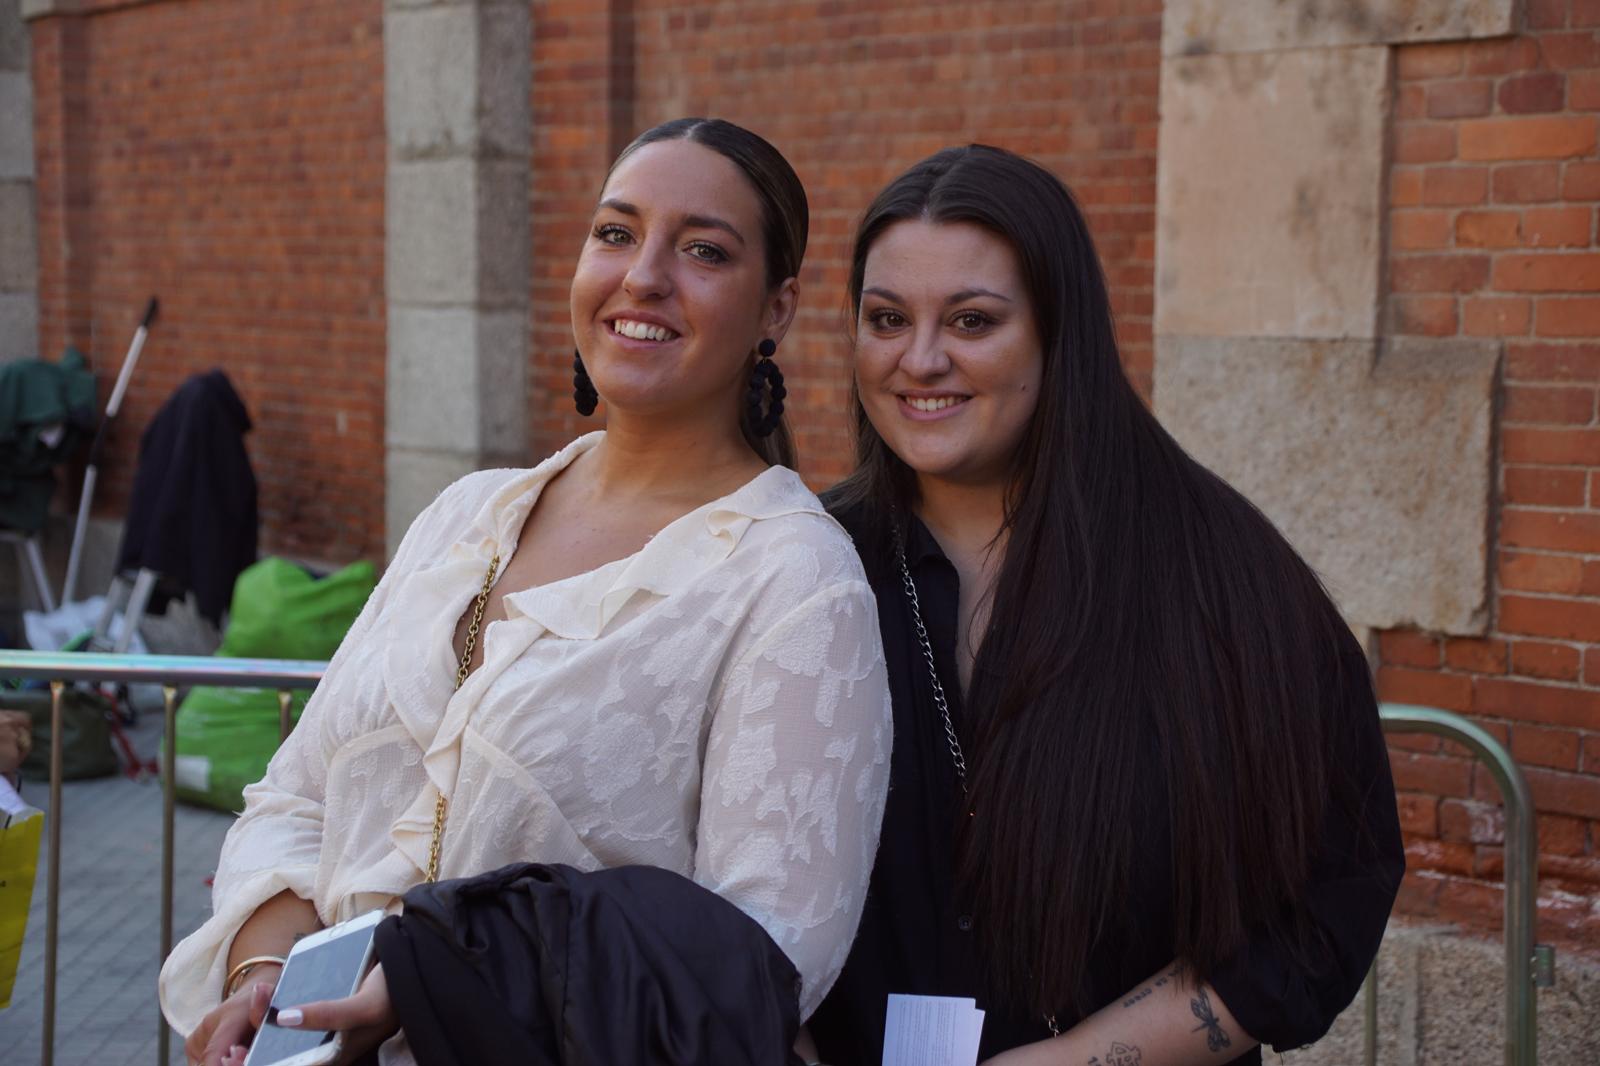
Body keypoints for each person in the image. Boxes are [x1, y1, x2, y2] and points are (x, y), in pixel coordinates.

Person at [162, 117, 893, 1066]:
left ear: (776, 309)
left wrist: (437, 985)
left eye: (703, 250)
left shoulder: (795, 582)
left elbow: (761, 955)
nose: (643, 276)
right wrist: (264, 977)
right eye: (616, 233)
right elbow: (299, 795)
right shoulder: (466, 517)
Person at [806, 145, 1405, 1066]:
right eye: (887, 319)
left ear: (1059, 331)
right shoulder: (800, 565)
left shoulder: (1223, 578)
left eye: (972, 320)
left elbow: (1325, 893)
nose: (920, 360)